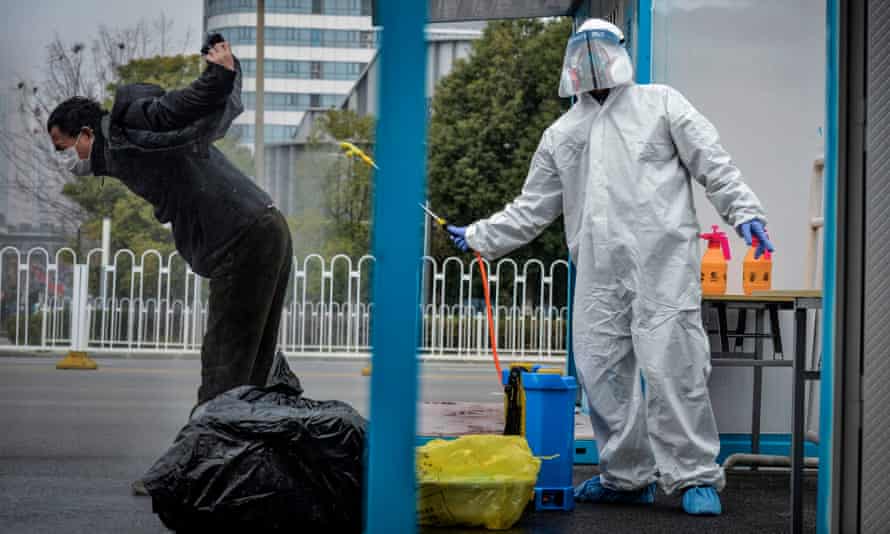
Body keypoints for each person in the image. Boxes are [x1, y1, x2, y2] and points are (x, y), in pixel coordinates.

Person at [445, 18, 775, 516]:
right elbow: (534, 207)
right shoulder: (562, 134)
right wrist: (480, 236)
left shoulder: (661, 103)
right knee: (602, 375)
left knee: (675, 370)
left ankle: (693, 477)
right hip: (597, 273)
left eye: (600, 47)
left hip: (661, 265)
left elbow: (713, 161)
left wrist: (744, 212)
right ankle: (626, 476)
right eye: (582, 47)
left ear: (621, 51)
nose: (592, 57)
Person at [46, 37, 293, 495]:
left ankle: (192, 474)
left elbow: (174, 110)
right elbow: (201, 120)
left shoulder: (124, 124)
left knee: (223, 366)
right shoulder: (123, 149)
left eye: (64, 149)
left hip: (244, 238)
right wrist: (227, 78)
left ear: (84, 135)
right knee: (250, 368)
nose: (68, 161)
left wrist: (217, 77)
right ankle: (256, 468)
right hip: (261, 229)